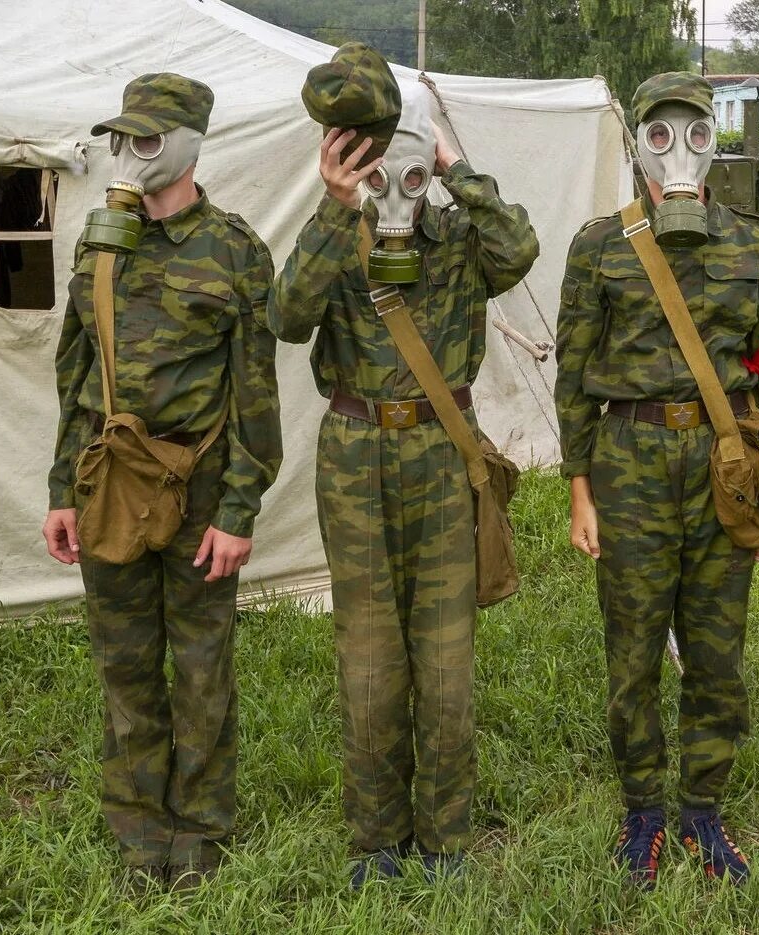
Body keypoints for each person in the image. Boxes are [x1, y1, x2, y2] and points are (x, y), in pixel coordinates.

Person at [268, 45, 539, 887]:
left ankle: (447, 838)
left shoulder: (456, 234)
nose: (374, 165)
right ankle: (375, 839)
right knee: (369, 653)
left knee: (446, 654)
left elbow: (520, 250)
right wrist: (331, 206)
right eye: (352, 148)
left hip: (440, 447)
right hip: (354, 451)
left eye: (381, 146)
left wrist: (454, 170)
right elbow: (286, 315)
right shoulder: (335, 235)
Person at [42, 73, 281, 889]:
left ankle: (202, 831)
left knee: (203, 664)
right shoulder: (100, 242)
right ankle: (141, 830)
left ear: (187, 144)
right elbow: (74, 374)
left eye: (146, 139)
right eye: (121, 138)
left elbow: (257, 398)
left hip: (200, 486)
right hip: (110, 479)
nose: (129, 155)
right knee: (125, 661)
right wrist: (61, 492)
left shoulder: (235, 248)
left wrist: (239, 511)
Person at [556, 71, 759, 890]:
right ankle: (642, 809)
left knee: (718, 649)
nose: (677, 152)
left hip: (723, 467)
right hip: (630, 458)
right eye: (660, 135)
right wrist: (580, 489)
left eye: (693, 132)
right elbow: (576, 375)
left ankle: (702, 808)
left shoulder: (755, 245)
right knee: (633, 646)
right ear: (639, 146)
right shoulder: (600, 246)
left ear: (714, 139)